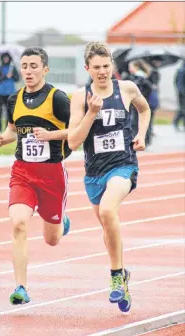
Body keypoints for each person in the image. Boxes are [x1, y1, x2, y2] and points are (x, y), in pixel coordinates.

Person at [68, 42, 151, 313]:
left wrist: (141, 134)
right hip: (94, 173)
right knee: (107, 226)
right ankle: (123, 275)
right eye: (97, 67)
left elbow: (145, 109)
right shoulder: (80, 97)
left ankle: (115, 274)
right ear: (87, 69)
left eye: (106, 66)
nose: (102, 72)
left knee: (107, 210)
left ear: (112, 65)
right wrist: (92, 112)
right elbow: (72, 142)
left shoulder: (126, 88)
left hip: (123, 165)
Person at [0, 47, 71, 305]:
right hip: (22, 172)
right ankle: (21, 288)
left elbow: (78, 130)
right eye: (24, 66)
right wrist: (3, 138)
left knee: (52, 240)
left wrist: (52, 136)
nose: (28, 70)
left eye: (34, 66)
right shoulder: (14, 99)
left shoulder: (57, 99)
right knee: (18, 224)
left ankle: (62, 222)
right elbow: (14, 130)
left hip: (51, 174)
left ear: (45, 69)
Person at [0, 52, 20, 132]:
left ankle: (8, 128)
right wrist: (5, 77)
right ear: (2, 58)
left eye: (7, 57)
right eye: (4, 57)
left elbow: (17, 79)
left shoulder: (13, 68)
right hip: (0, 93)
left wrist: (13, 75)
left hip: (10, 93)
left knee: (9, 112)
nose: (5, 59)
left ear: (9, 58)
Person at [173, 60, 185, 131]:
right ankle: (175, 122)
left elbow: (176, 82)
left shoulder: (180, 70)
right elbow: (180, 83)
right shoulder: (182, 70)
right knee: (182, 109)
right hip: (182, 94)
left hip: (180, 93)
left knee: (182, 108)